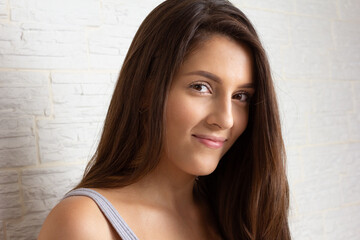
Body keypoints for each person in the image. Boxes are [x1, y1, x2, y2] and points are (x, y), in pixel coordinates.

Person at [39, 0, 291, 239]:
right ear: (145, 91)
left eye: (241, 96)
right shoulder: (86, 224)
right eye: (201, 87)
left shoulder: (242, 215)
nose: (225, 119)